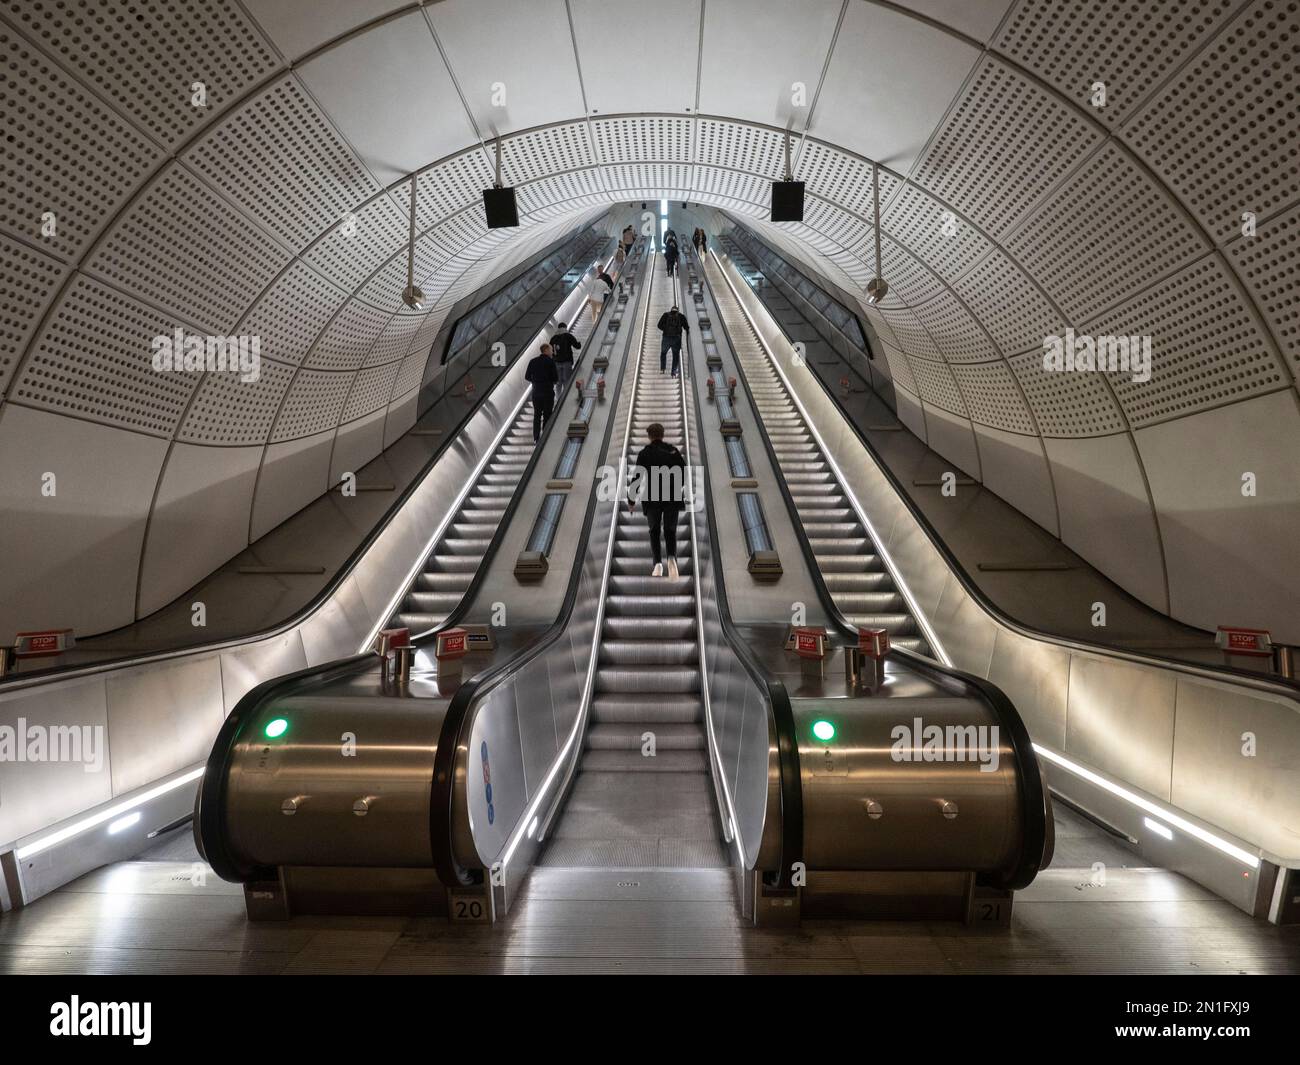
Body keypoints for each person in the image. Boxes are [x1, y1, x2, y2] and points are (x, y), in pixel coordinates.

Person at [630, 422, 687, 578]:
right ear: (663, 434)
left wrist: (631, 500)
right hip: (672, 495)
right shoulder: (673, 451)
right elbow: (684, 472)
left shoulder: (644, 453)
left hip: (652, 495)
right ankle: (672, 559)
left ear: (649, 436)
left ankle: (657, 565)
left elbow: (637, 477)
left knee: (654, 530)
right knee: (670, 529)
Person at [524, 343, 558, 442]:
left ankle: (536, 437)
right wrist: (549, 381)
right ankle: (545, 436)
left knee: (537, 415)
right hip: (547, 392)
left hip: (536, 393)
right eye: (551, 350)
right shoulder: (550, 362)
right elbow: (555, 378)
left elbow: (527, 376)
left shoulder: (532, 361)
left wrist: (535, 381)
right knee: (547, 414)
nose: (552, 352)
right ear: (546, 350)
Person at [656, 303, 689, 377]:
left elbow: (659, 325)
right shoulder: (681, 316)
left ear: (671, 310)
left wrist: (665, 330)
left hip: (666, 337)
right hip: (676, 339)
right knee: (675, 356)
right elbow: (686, 327)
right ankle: (673, 372)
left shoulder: (665, 315)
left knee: (663, 353)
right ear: (677, 311)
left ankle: (662, 369)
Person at [549, 322, 581, 396]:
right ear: (565, 327)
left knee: (558, 382)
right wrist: (579, 344)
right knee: (567, 381)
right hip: (567, 362)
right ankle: (566, 398)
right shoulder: (568, 336)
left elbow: (550, 350)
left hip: (556, 362)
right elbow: (577, 346)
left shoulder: (553, 338)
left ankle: (558, 398)